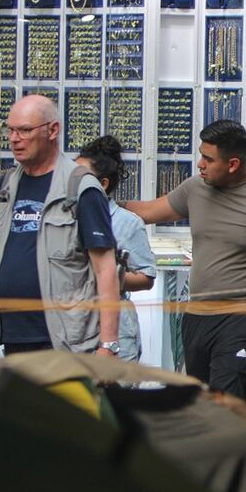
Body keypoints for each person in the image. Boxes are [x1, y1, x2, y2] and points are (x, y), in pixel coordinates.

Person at [123, 120, 246, 408]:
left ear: (233, 164)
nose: (200, 164)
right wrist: (97, 202)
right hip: (197, 315)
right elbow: (148, 211)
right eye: (200, 156)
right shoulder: (195, 188)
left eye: (208, 159)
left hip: (244, 316)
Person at [0, 95, 119, 364]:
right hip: (13, 338)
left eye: (25, 130)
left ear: (53, 130)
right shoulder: (5, 186)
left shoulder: (81, 188)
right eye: (10, 130)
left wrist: (108, 344)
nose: (14, 139)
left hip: (65, 342)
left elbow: (106, 269)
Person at [76, 136, 156, 362]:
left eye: (81, 177)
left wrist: (107, 275)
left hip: (116, 329)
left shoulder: (127, 222)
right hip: (74, 326)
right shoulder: (64, 217)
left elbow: (146, 277)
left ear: (103, 184)